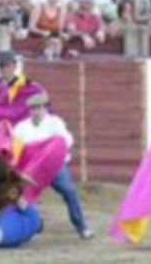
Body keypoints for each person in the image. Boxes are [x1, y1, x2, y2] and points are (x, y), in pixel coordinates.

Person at [13, 93, 94, 239]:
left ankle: (81, 226)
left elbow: (66, 141)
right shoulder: (21, 127)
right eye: (33, 108)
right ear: (29, 110)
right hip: (34, 168)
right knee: (23, 195)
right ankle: (33, 227)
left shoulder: (55, 123)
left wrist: (52, 151)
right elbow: (15, 147)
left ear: (46, 108)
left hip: (54, 166)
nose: (36, 112)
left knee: (69, 191)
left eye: (39, 108)